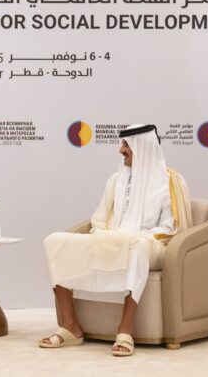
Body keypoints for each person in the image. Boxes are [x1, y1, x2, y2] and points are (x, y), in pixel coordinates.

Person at [40, 124, 174, 357]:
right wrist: (103, 235)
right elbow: (99, 220)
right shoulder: (115, 180)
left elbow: (169, 228)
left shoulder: (169, 182)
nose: (120, 150)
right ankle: (70, 326)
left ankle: (125, 329)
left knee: (138, 246)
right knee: (54, 241)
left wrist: (131, 237)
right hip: (114, 240)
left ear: (142, 147)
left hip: (152, 245)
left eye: (126, 145)